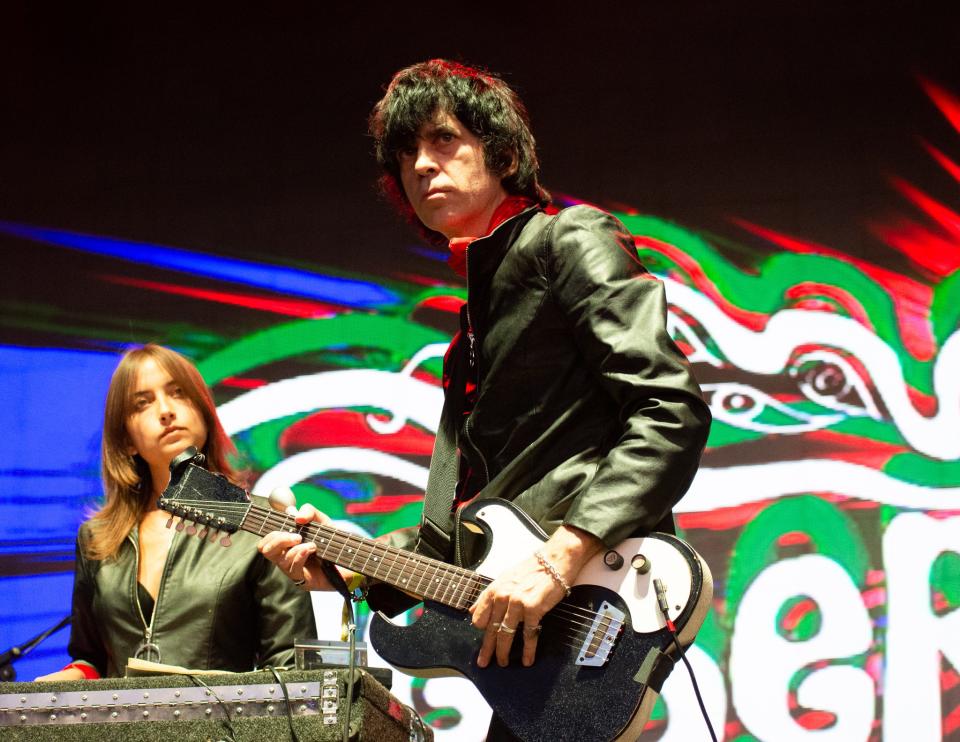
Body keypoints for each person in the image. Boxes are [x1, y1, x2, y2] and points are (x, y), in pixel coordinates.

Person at [257, 59, 710, 736]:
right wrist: (358, 560)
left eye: (443, 141)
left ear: (500, 153)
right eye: (406, 152)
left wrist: (559, 560)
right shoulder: (472, 327)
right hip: (533, 635)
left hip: (591, 597)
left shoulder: (569, 240)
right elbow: (470, 535)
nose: (421, 165)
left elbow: (669, 409)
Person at [37, 344, 315, 680]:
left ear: (204, 412)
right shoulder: (95, 537)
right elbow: (90, 658)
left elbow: (292, 668)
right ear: (126, 440)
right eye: (143, 403)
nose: (165, 411)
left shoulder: (261, 523)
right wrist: (57, 684)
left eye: (178, 393)